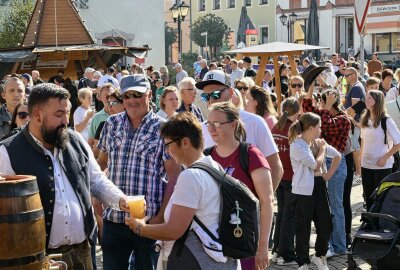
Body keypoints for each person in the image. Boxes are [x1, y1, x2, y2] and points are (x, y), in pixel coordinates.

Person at [0, 83, 128, 270]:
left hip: (83, 251)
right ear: (37, 115)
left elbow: (97, 181)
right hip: (41, 259)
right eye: (59, 115)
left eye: (67, 113)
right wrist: (31, 255)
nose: (65, 121)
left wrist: (121, 200)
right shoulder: (7, 152)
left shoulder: (75, 141)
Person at [125, 112, 241, 270]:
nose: (167, 151)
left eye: (168, 145)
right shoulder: (213, 166)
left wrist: (139, 227)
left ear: (185, 142)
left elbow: (173, 231)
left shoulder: (190, 176)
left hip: (196, 261)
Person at [96, 74, 181, 270]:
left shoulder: (163, 128)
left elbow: (174, 175)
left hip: (148, 220)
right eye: (127, 96)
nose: (132, 100)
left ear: (149, 94)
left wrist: (160, 216)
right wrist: (96, 197)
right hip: (114, 218)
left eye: (138, 94)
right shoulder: (112, 124)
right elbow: (101, 163)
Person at [206, 102, 273, 270]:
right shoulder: (206, 157)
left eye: (217, 124)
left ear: (234, 124)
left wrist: (263, 246)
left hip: (243, 240)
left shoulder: (250, 155)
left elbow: (267, 202)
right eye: (209, 124)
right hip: (212, 243)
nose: (211, 129)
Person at [196, 70, 283, 191]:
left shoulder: (255, 122)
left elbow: (275, 166)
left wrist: (263, 203)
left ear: (231, 92)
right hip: (212, 208)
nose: (211, 100)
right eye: (206, 96)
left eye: (215, 94)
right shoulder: (201, 129)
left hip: (248, 207)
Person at [303, 84, 350, 258]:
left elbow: (327, 125)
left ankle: (339, 246)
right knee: (326, 207)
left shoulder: (343, 119)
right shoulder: (323, 113)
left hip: (335, 164)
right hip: (323, 162)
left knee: (336, 206)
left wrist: (328, 105)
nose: (320, 106)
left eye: (322, 103)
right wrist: (311, 85)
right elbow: (307, 107)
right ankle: (329, 243)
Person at [289, 112, 339, 270]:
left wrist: (328, 175)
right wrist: (323, 150)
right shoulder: (297, 145)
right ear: (311, 128)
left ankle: (320, 256)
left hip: (319, 185)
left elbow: (337, 155)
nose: (321, 130)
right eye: (319, 127)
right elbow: (315, 165)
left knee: (325, 223)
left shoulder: (317, 142)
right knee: (303, 226)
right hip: (303, 190)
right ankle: (303, 262)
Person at [270, 97, 300, 265]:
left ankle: (276, 250)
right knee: (289, 216)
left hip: (279, 176)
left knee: (282, 214)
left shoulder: (276, 126)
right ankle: (286, 254)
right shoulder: (293, 129)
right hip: (290, 177)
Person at [360, 90, 400, 210]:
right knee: (368, 197)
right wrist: (360, 161)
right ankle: (369, 224)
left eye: (370, 98)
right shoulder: (365, 118)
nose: (366, 100)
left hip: (382, 167)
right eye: (366, 98)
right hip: (366, 165)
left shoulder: (386, 120)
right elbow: (363, 140)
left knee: (380, 198)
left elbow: (398, 143)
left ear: (377, 101)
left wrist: (384, 158)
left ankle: (380, 225)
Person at [87, 84, 114, 152]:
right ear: (100, 98)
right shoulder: (96, 118)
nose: (109, 97)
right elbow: (90, 142)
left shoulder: (123, 114)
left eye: (111, 94)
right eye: (105, 95)